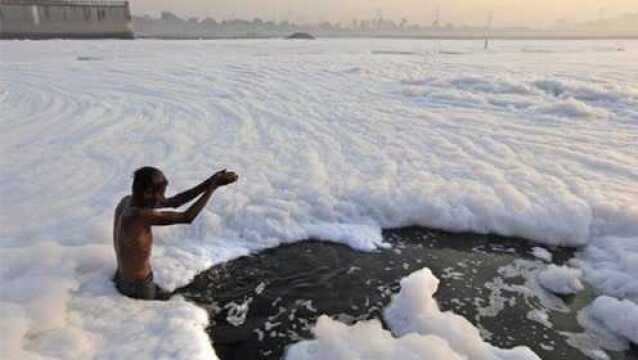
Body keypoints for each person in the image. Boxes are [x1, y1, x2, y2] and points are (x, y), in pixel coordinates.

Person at [113, 166, 238, 300]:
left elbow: (175, 202)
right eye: (160, 193)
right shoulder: (139, 216)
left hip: (122, 278)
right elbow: (187, 217)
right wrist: (213, 188)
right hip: (138, 287)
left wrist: (209, 182)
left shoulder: (127, 202)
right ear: (148, 192)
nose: (162, 198)